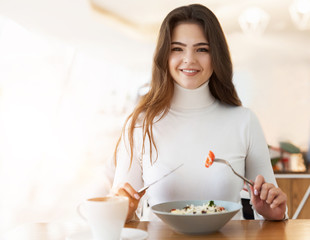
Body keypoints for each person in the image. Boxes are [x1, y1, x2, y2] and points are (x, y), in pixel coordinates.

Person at [111, 4, 287, 222]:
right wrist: (122, 212)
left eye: (202, 49)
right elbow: (119, 214)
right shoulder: (140, 124)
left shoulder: (244, 121)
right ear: (164, 55)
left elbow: (272, 209)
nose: (189, 59)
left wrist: (273, 213)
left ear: (216, 55)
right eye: (177, 49)